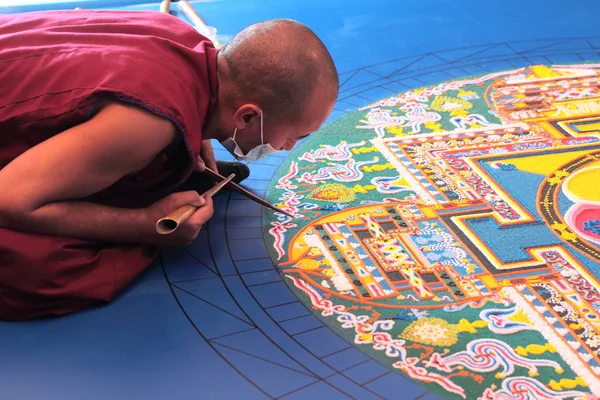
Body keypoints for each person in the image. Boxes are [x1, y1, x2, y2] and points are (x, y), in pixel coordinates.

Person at [0, 9, 338, 320]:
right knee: (44, 267)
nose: (288, 147)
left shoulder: (184, 36)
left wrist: (200, 134)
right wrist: (142, 224)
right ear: (247, 115)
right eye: (296, 136)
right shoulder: (147, 126)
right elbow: (9, 199)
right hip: (11, 189)